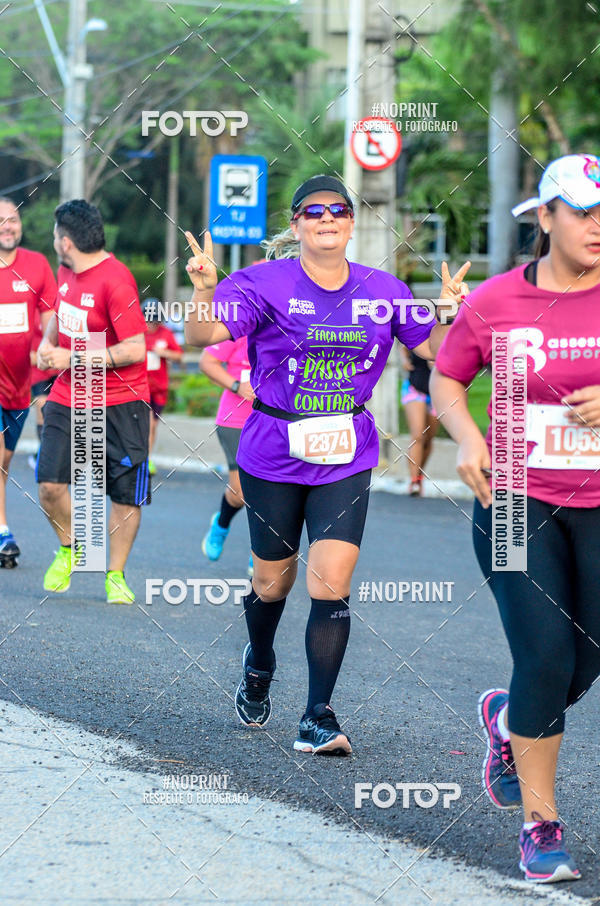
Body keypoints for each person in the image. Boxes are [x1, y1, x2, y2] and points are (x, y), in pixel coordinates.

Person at [184, 174, 468, 753]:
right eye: (313, 211)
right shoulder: (260, 282)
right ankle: (259, 662)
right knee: (272, 581)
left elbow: (434, 353)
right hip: (272, 448)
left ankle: (318, 716)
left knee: (330, 582)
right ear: (297, 225)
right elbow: (200, 336)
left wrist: (449, 312)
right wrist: (204, 288)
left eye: (338, 209)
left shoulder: (382, 289)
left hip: (346, 450)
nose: (326, 218)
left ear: (350, 222)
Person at [430, 153, 600, 883]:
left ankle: (508, 721)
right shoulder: (495, 300)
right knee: (546, 657)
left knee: (585, 659)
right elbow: (446, 375)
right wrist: (466, 438)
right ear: (547, 217)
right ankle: (540, 823)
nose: (597, 225)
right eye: (585, 211)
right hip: (513, 503)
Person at [37, 199, 150, 604]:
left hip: (121, 401)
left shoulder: (117, 281)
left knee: (123, 496)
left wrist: (72, 357)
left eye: (54, 236)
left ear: (65, 242)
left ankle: (115, 574)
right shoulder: (66, 271)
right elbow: (60, 312)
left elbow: (136, 349)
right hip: (67, 395)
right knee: (49, 486)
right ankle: (72, 548)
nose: (54, 242)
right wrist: (48, 343)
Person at [0, 196, 56, 566]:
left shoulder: (36, 265)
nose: (8, 226)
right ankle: (3, 531)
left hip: (21, 384)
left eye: (13, 219)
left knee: (5, 460)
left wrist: (48, 344)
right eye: (1, 220)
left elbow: (51, 313)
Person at [199, 335, 254, 576]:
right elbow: (207, 361)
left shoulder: (285, 324)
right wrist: (237, 386)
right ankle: (220, 525)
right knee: (241, 492)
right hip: (235, 421)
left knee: (272, 493)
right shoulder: (239, 327)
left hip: (274, 422)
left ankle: (261, 555)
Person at [143, 298, 183, 475]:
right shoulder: (137, 333)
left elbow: (179, 356)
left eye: (154, 322)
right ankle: (142, 459)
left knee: (152, 426)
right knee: (147, 424)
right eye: (147, 321)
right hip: (139, 387)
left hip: (159, 388)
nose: (150, 325)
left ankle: (147, 458)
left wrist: (164, 353)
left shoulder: (166, 334)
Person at [400, 346, 438, 496]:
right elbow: (402, 346)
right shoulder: (419, 329)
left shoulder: (448, 331)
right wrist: (404, 360)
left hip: (438, 392)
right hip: (414, 388)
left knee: (428, 440)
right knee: (418, 436)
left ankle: (419, 475)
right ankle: (414, 481)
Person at [28, 309, 59, 469]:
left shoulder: (57, 305)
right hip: (38, 368)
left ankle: (55, 449)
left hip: (59, 365)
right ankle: (44, 451)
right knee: (42, 404)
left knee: (58, 409)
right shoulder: (30, 309)